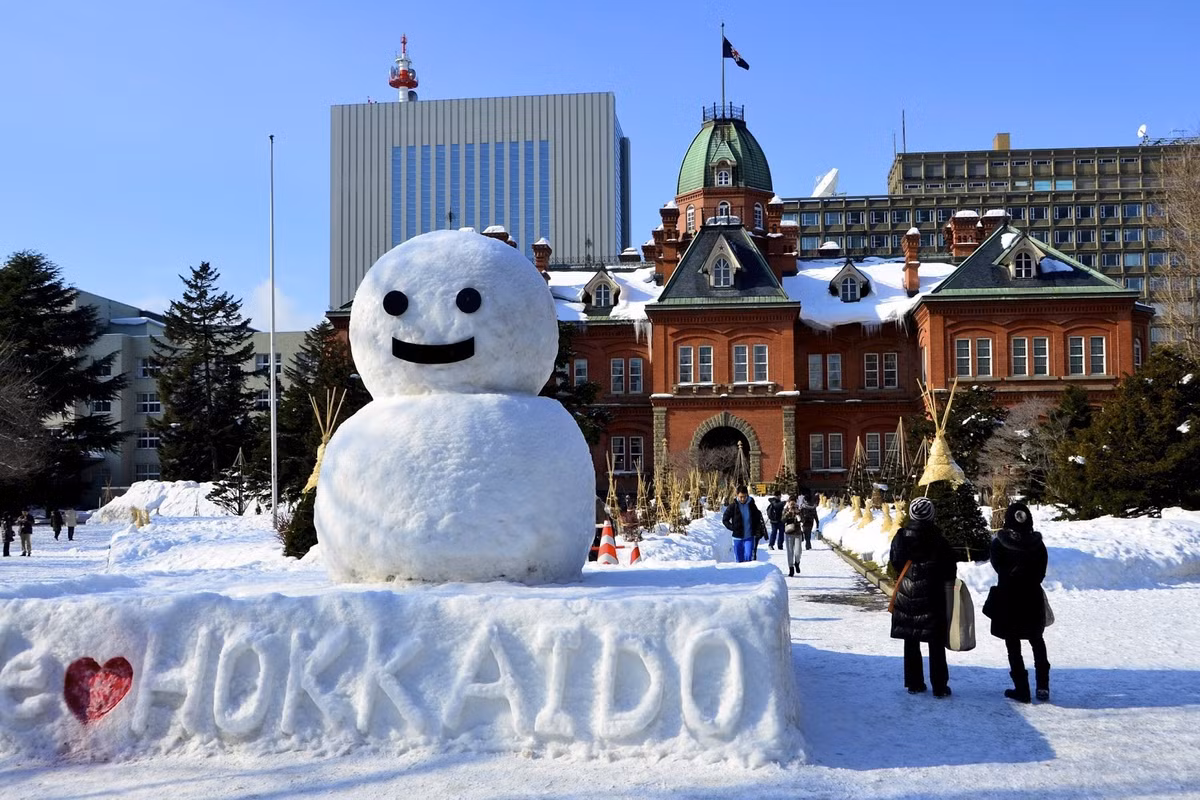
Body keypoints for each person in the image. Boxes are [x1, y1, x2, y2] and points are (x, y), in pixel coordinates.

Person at [889, 496, 958, 697]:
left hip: (907, 591)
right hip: (933, 592)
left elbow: (895, 562)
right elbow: (949, 568)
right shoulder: (939, 538)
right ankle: (939, 686)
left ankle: (914, 683)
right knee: (935, 641)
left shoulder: (901, 536)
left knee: (911, 638)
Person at [984, 502, 1051, 703]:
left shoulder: (999, 543)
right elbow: (1041, 572)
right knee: (1037, 640)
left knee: (1012, 643)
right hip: (1032, 597)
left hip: (1008, 597)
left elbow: (998, 567)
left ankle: (1021, 689)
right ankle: (1043, 687)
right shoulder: (1038, 544)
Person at [721, 485, 764, 563]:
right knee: (739, 560)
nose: (743, 499)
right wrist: (732, 527)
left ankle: (749, 575)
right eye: (741, 497)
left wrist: (758, 529)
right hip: (737, 537)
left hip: (749, 537)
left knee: (748, 558)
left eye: (745, 496)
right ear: (737, 495)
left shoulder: (751, 505)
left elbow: (757, 518)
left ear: (747, 495)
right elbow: (725, 519)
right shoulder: (733, 506)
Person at [781, 496, 804, 577]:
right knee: (790, 552)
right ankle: (791, 568)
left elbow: (803, 520)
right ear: (789, 502)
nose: (793, 504)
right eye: (791, 503)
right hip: (789, 533)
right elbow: (782, 520)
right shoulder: (786, 510)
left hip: (797, 533)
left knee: (798, 552)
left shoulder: (799, 509)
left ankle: (797, 563)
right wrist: (788, 513)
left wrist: (798, 513)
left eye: (794, 502)